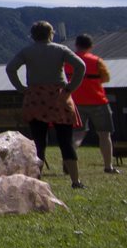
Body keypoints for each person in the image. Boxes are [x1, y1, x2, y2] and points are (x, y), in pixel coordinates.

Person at [5, 21, 87, 188]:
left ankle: (36, 179)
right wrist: (71, 87)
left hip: (35, 97)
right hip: (58, 96)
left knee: (38, 142)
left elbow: (10, 68)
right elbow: (80, 66)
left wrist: (21, 88)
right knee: (66, 141)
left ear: (33, 35)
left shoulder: (27, 51)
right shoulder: (60, 49)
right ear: (51, 33)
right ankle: (75, 181)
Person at [66, 34, 120, 175]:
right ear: (91, 46)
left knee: (77, 135)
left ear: (76, 45)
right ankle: (108, 166)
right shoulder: (97, 61)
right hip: (98, 101)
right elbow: (106, 78)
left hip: (76, 102)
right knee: (104, 135)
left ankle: (68, 162)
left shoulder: (67, 62)